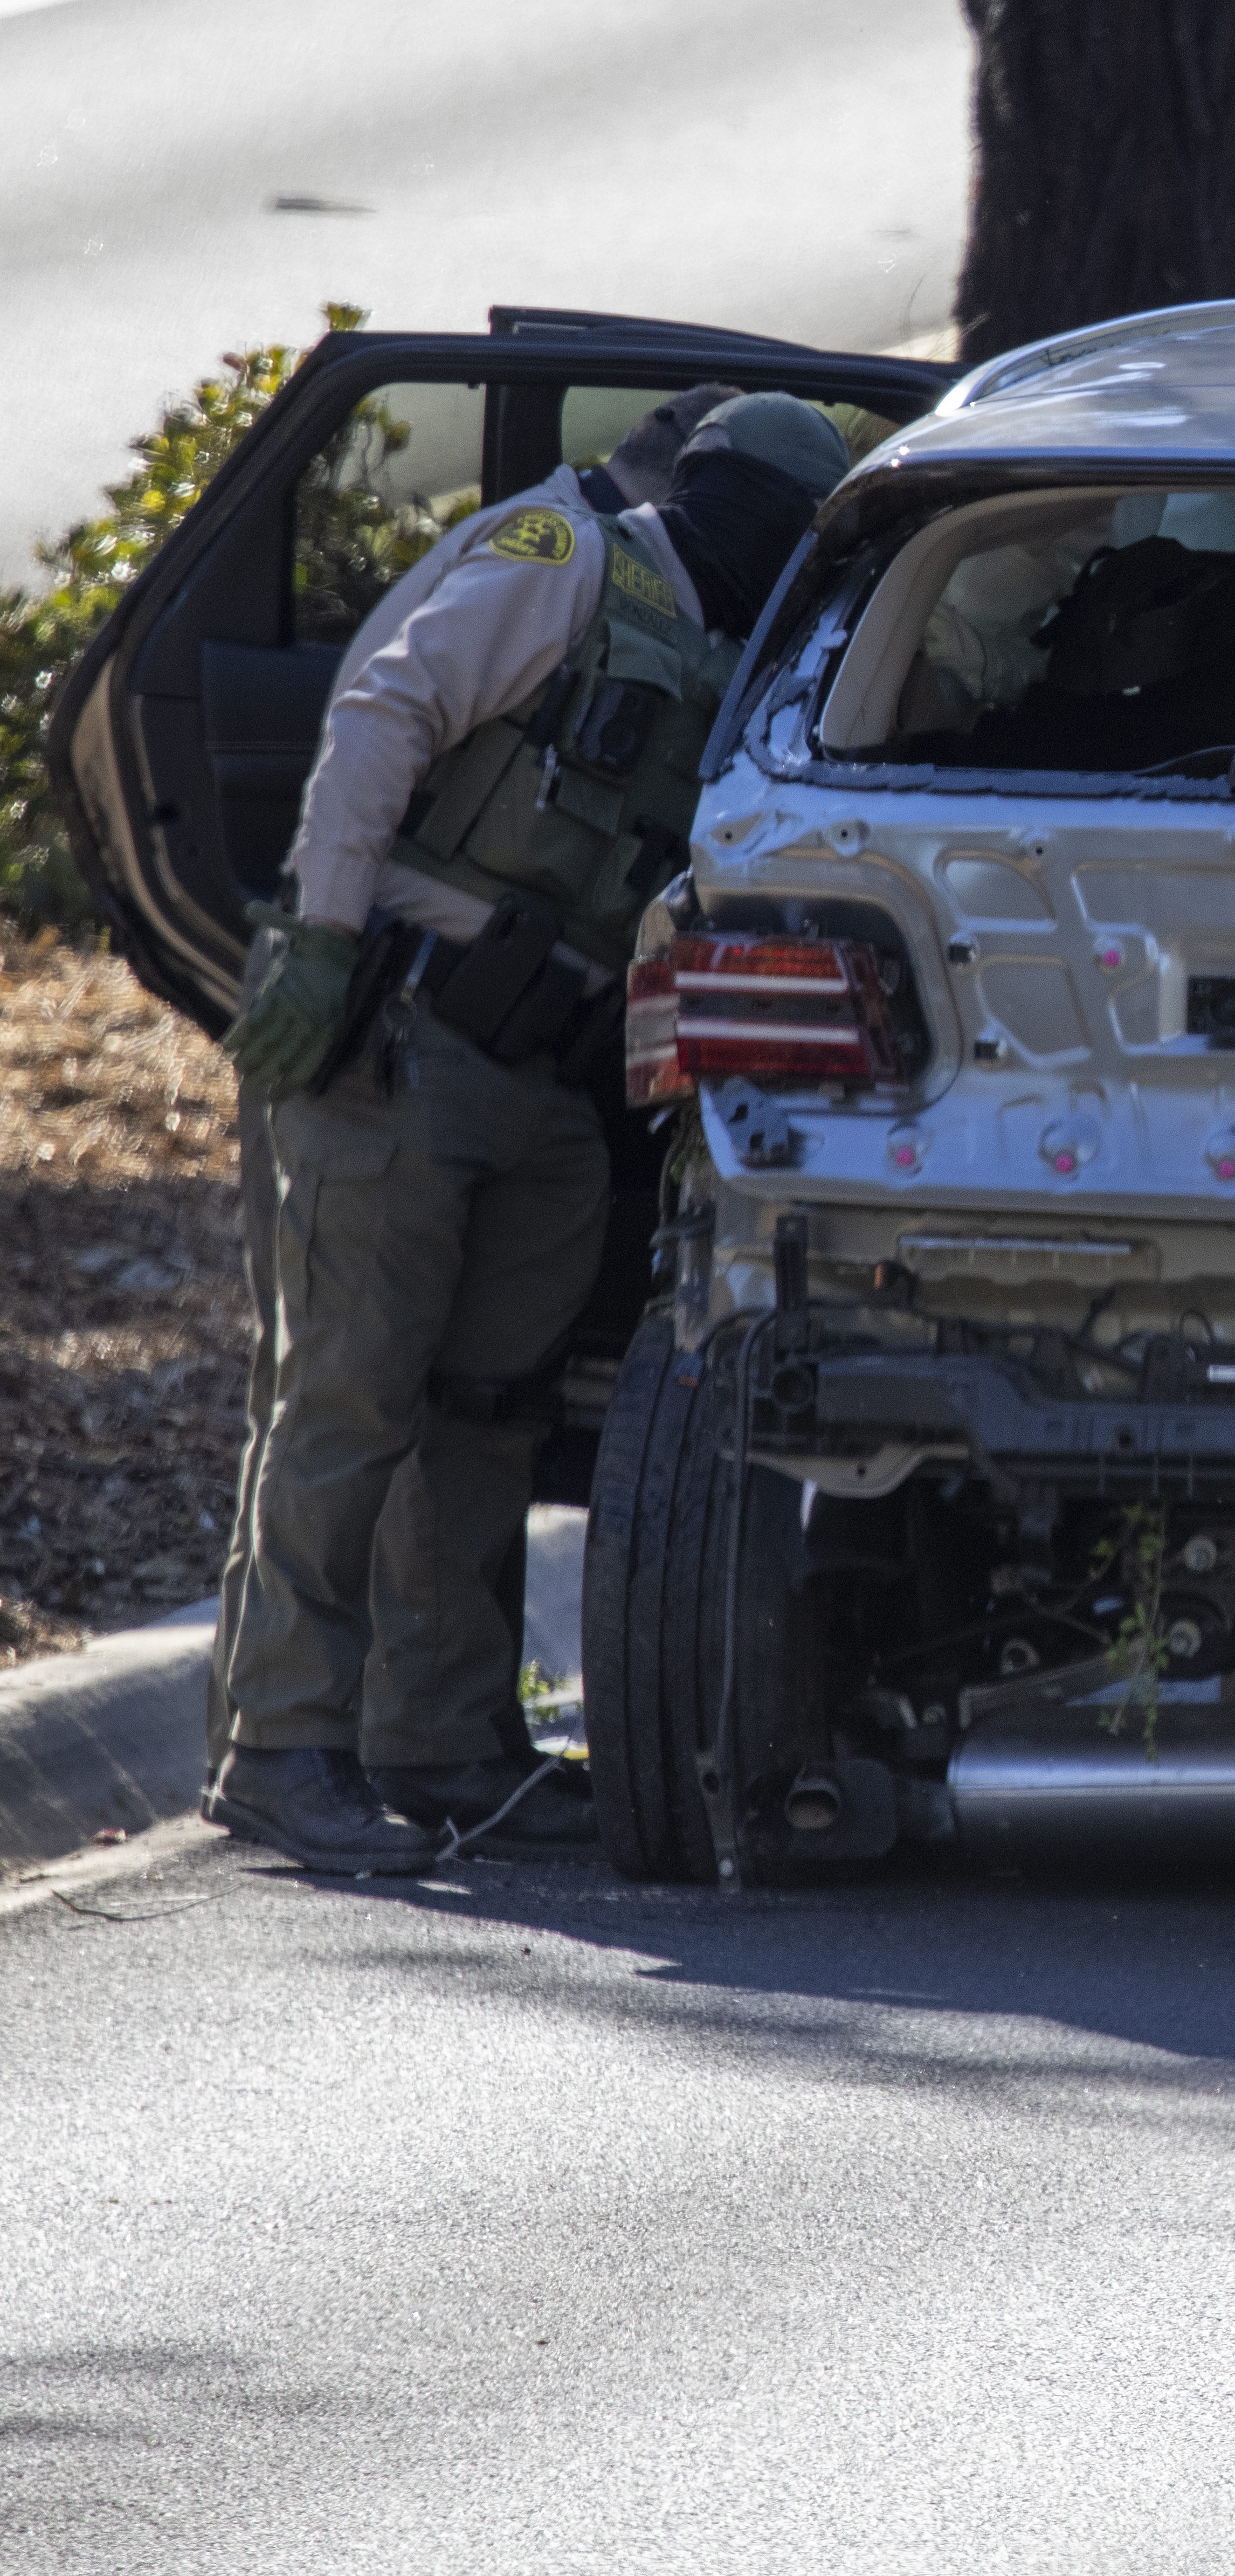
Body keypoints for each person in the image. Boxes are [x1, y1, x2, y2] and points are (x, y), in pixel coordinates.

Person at [204, 392, 856, 1877]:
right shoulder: (571, 560)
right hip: (405, 1036)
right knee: (348, 1395)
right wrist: (316, 934)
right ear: (748, 513)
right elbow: (385, 708)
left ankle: (438, 1743)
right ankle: (279, 1746)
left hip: (546, 1082)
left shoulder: (738, 665)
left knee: (487, 1410)